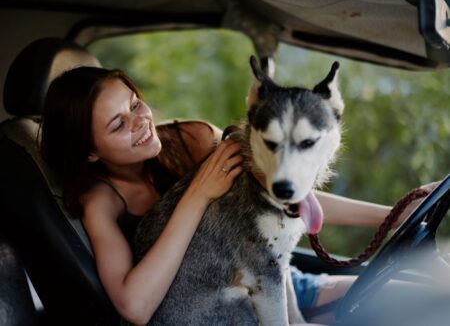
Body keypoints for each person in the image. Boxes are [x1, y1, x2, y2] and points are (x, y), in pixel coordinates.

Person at [40, 66, 435, 326]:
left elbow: (288, 198)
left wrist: (395, 213)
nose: (141, 122)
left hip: (283, 279)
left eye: (135, 103)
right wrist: (198, 193)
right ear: (89, 150)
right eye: (118, 124)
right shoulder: (101, 202)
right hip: (223, 304)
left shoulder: (192, 139)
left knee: (425, 303)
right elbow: (134, 306)